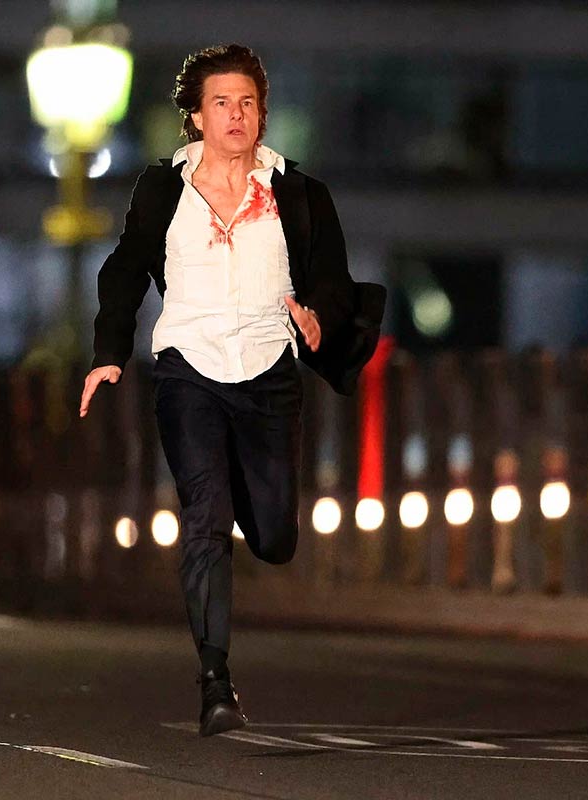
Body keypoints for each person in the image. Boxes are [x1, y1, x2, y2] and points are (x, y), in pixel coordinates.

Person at [78, 44, 385, 737]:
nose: (236, 115)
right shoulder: (163, 190)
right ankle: (215, 682)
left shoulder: (298, 194)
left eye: (247, 103)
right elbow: (125, 268)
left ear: (262, 113)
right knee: (205, 520)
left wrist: (318, 313)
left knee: (273, 538)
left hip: (269, 372)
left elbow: (333, 278)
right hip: (187, 369)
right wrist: (109, 353)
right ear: (196, 115)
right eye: (221, 102)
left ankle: (246, 498)